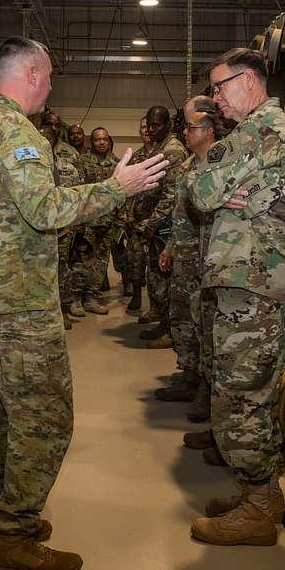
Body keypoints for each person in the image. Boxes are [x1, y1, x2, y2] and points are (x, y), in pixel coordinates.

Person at [0, 36, 169, 570]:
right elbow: (45, 210)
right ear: (30, 74)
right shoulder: (16, 134)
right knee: (46, 419)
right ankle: (14, 537)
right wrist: (117, 187)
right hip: (18, 304)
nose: (50, 88)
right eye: (47, 78)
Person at [186, 47, 285, 547]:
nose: (215, 98)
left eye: (221, 86)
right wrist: (244, 194)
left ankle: (259, 509)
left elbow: (200, 190)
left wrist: (227, 186)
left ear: (250, 80)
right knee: (246, 389)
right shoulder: (263, 133)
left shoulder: (261, 132)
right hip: (252, 278)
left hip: (254, 281)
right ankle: (260, 494)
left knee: (240, 396)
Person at [156, 96, 229, 399]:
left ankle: (207, 389)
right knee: (184, 318)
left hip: (210, 261)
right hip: (185, 256)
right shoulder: (188, 167)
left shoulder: (223, 166)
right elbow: (180, 214)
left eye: (191, 127)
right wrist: (169, 247)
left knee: (207, 326)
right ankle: (189, 373)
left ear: (210, 130)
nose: (185, 133)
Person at [137, 105, 189, 345]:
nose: (151, 129)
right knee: (156, 276)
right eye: (149, 125)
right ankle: (163, 323)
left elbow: (171, 195)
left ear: (167, 124)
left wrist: (152, 223)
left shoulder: (173, 150)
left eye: (156, 125)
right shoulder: (158, 147)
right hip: (156, 226)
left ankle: (171, 331)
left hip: (165, 226)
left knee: (166, 278)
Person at [38, 119, 87, 330]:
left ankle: (64, 309)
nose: (43, 141)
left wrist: (78, 222)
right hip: (38, 228)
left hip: (63, 228)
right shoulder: (31, 165)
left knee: (62, 268)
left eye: (47, 138)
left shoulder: (67, 165)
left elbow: (80, 193)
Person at [77, 127, 119, 314]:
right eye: (97, 140)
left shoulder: (117, 163)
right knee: (81, 260)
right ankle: (76, 298)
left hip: (108, 221)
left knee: (101, 261)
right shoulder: (82, 162)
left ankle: (91, 297)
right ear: (91, 142)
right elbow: (76, 191)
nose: (101, 143)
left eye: (104, 139)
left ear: (109, 141)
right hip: (87, 221)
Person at [122, 116, 153, 310]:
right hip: (137, 220)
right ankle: (136, 297)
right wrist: (127, 213)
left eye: (150, 126)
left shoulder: (165, 154)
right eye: (143, 127)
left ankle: (156, 307)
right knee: (134, 260)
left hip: (156, 221)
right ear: (139, 131)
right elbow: (129, 189)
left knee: (157, 267)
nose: (147, 130)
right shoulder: (137, 157)